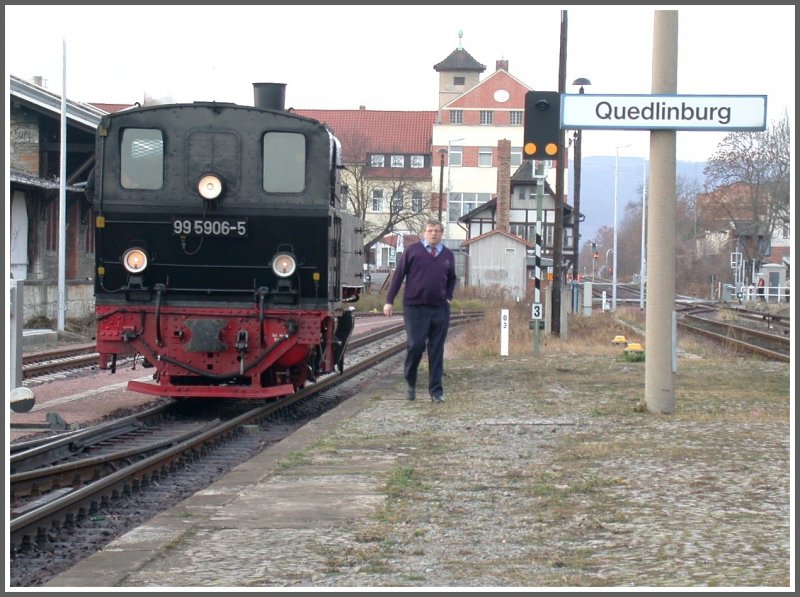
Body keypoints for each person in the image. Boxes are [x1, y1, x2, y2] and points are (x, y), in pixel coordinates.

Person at [383, 219, 457, 403]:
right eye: (430, 230)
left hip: (439, 308)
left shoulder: (447, 255)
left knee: (436, 350)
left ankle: (436, 392)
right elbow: (399, 276)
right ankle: (411, 381)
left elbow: (452, 278)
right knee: (416, 346)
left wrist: (448, 296)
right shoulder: (412, 251)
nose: (433, 234)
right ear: (424, 232)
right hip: (415, 307)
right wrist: (389, 301)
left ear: (441, 233)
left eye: (437, 231)